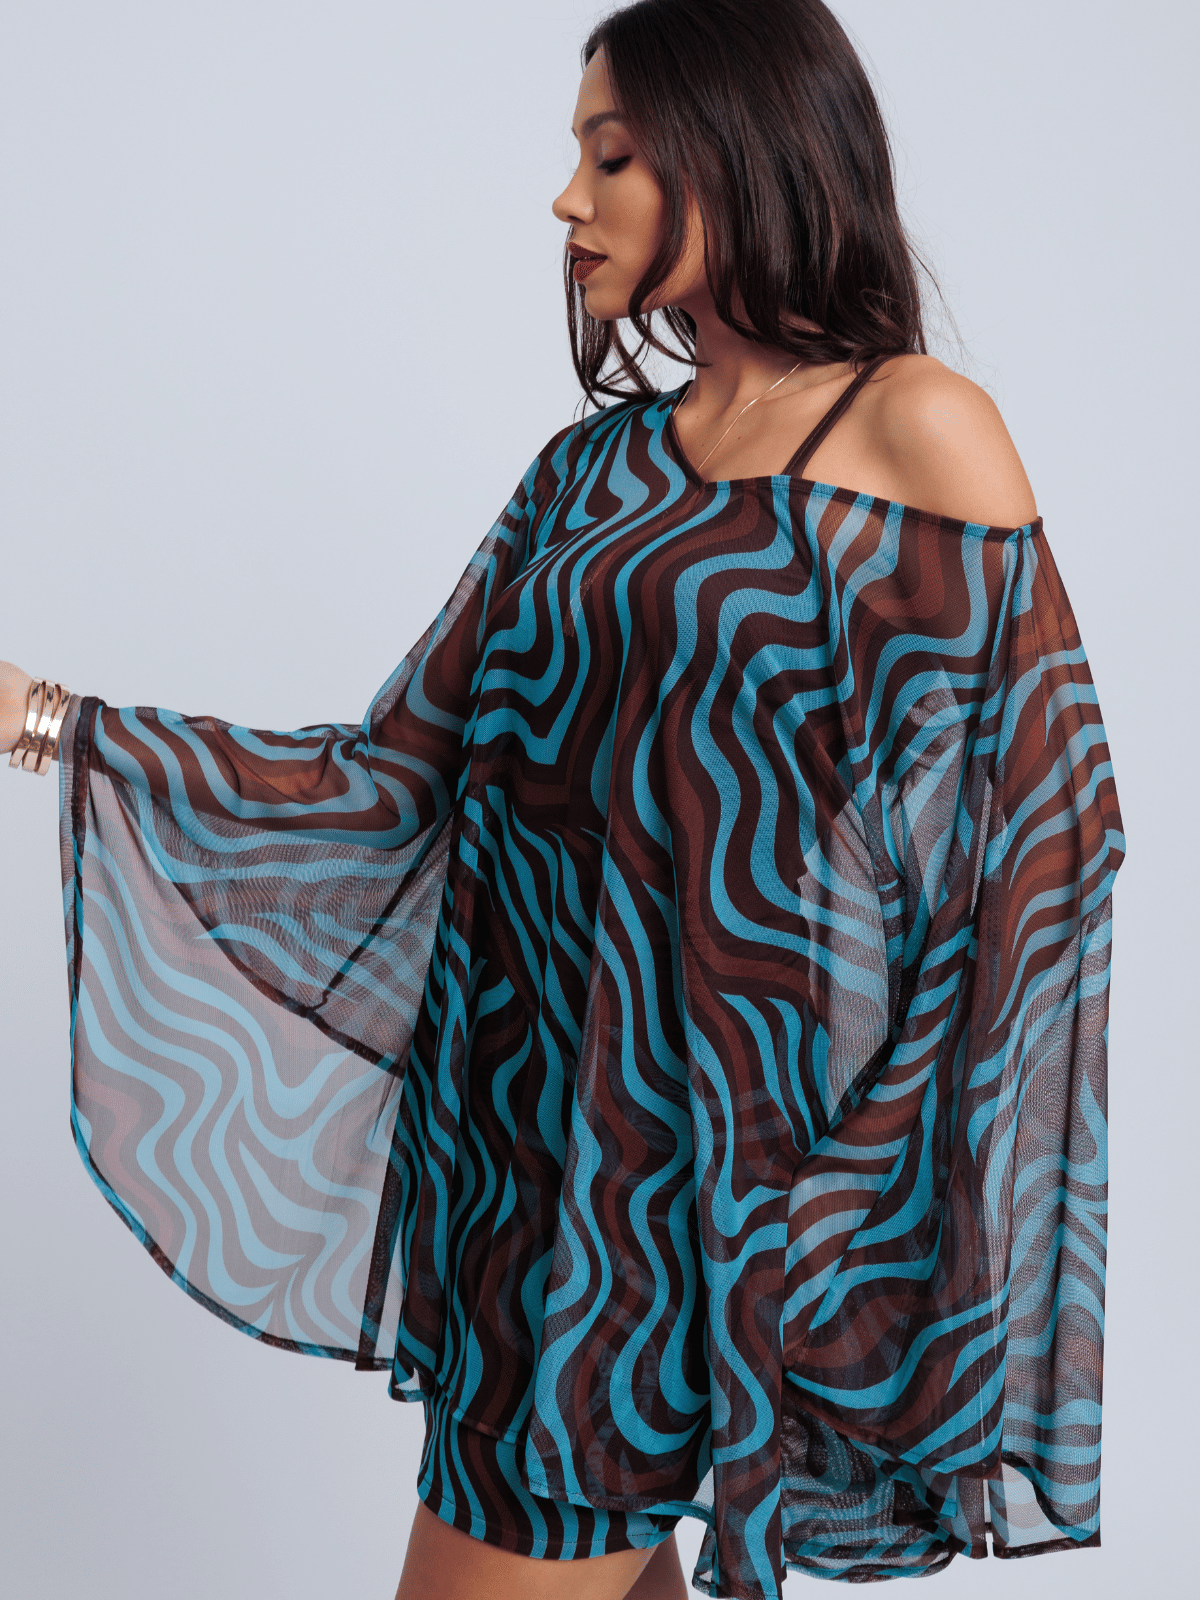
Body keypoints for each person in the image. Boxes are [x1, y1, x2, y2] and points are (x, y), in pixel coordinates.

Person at [0, 2, 1123, 1597]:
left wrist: (859, 1173)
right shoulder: (584, 477)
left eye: (613, 156)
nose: (566, 200)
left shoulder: (912, 431)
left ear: (736, 152)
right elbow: (386, 776)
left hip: (699, 1195)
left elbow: (1044, 840)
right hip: (522, 1166)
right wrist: (47, 721)